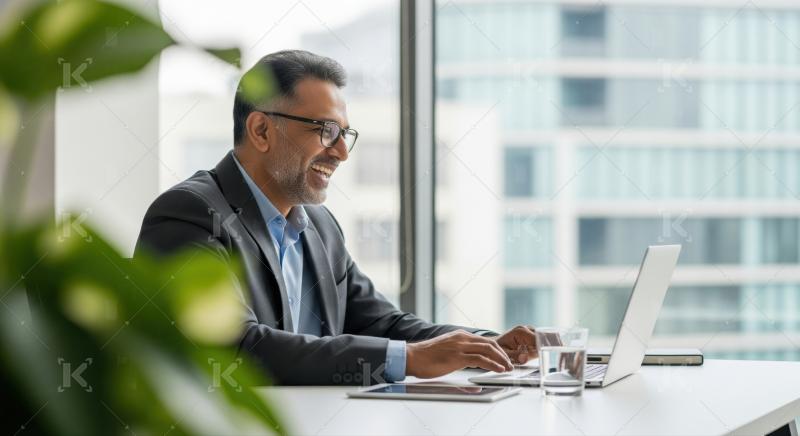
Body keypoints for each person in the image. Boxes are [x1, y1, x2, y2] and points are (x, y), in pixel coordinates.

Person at [135, 49, 537, 385]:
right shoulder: (188, 214)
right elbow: (235, 347)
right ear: (261, 130)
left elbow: (383, 325)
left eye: (345, 133)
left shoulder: (319, 226)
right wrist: (409, 358)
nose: (342, 152)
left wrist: (485, 345)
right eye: (326, 130)